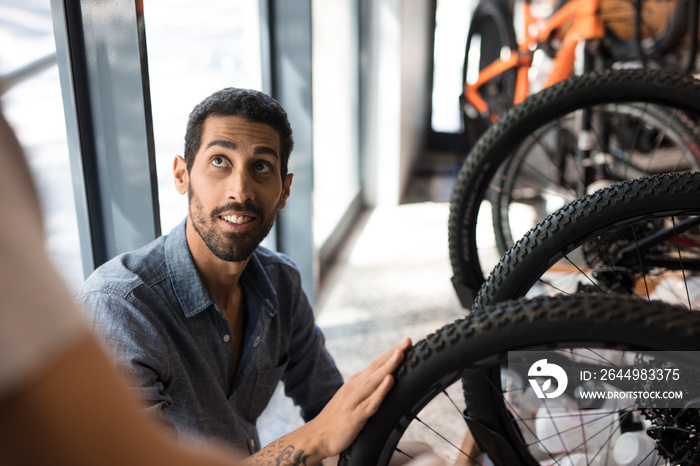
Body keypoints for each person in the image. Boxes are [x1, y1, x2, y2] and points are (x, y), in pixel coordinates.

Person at [0, 101, 443, 465]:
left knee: (419, 457)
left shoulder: (279, 283)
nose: (240, 189)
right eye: (219, 161)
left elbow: (331, 405)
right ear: (181, 175)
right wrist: (315, 438)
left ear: (284, 191)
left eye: (261, 168)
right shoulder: (121, 307)